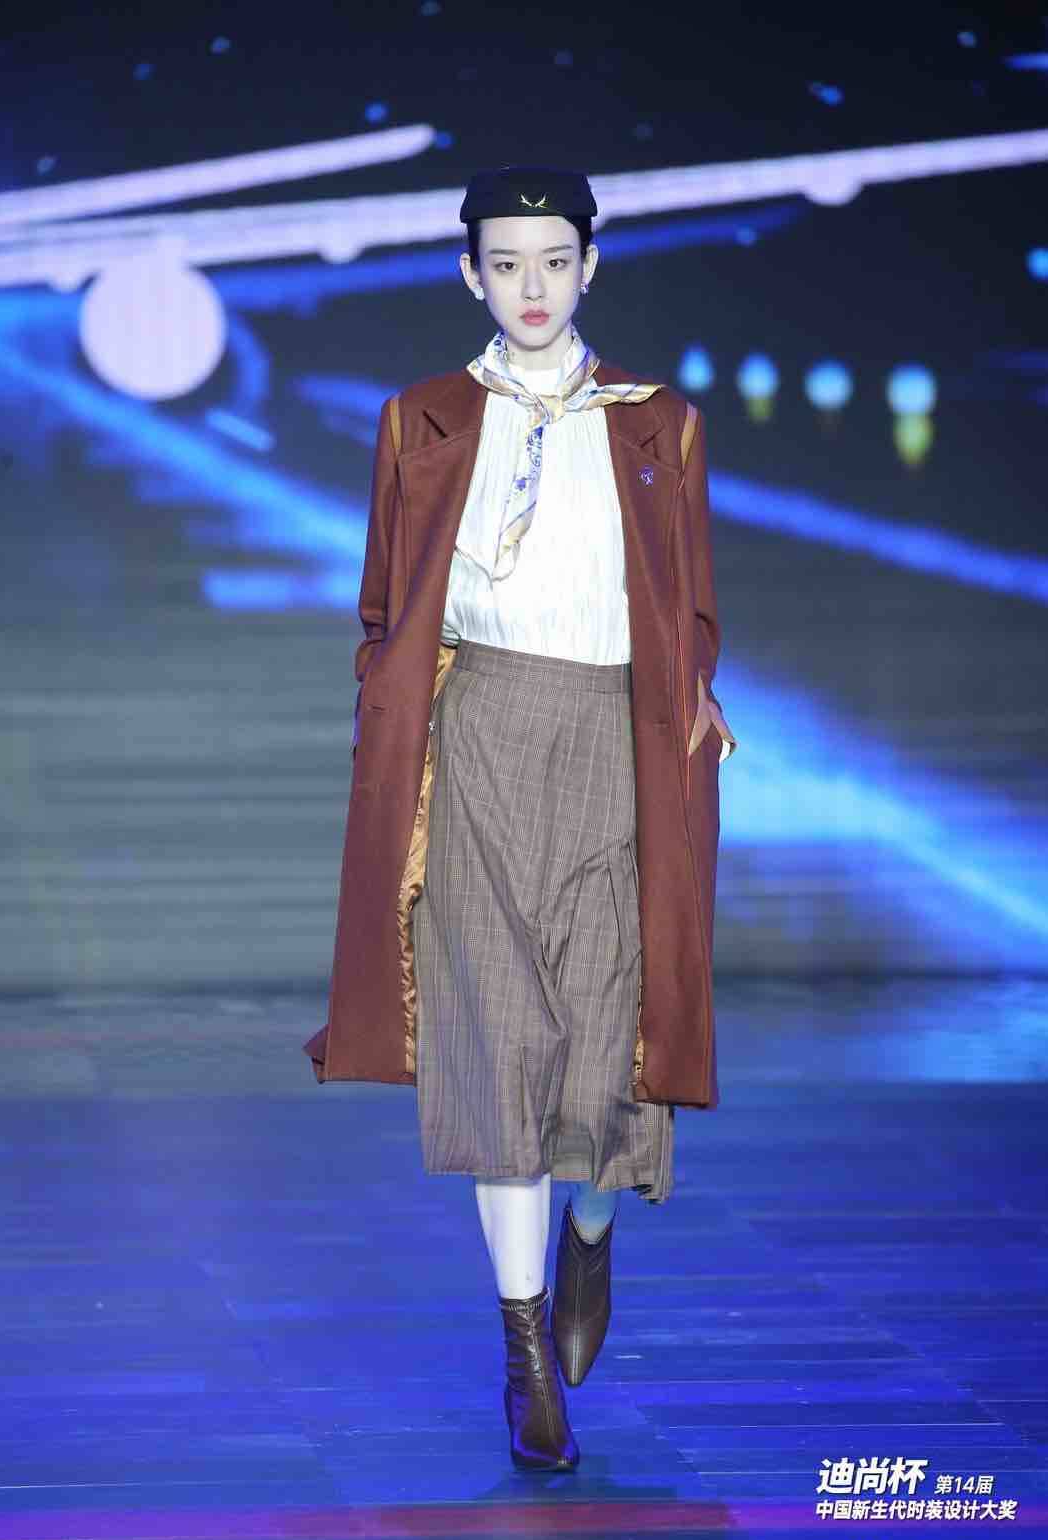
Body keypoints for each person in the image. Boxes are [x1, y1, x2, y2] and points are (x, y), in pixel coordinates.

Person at [304, 165, 736, 1473]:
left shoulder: (659, 423)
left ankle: (591, 1231)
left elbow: (689, 606)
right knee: (497, 1040)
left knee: (613, 1043)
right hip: (479, 733)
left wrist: (694, 704)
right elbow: (386, 604)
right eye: (507, 262)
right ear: (470, 275)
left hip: (617, 736)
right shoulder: (424, 420)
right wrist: (398, 721)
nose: (533, 286)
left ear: (589, 267)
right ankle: (522, 1351)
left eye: (555, 260)